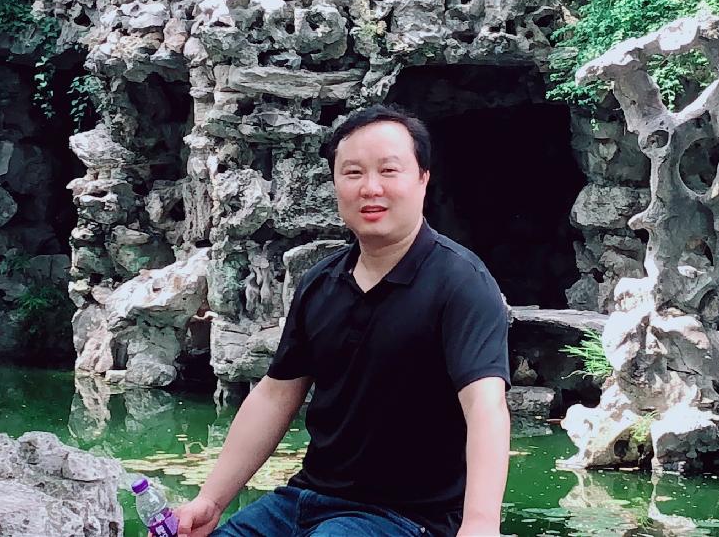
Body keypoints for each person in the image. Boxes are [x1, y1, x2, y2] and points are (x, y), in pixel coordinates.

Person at [176, 105, 511, 537]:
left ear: (423, 179)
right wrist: (210, 500)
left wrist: (481, 524)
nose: (371, 188)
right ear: (335, 183)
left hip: (404, 517)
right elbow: (275, 395)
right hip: (304, 500)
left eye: (389, 171)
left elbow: (486, 405)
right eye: (353, 173)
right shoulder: (321, 283)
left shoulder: (461, 283)